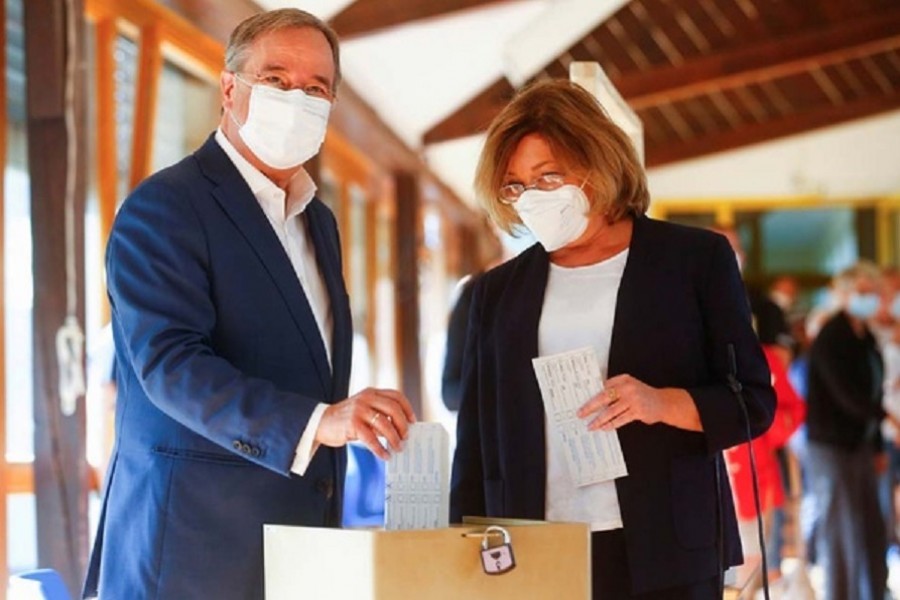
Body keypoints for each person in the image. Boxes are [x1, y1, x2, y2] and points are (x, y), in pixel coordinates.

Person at [83, 9, 415, 600]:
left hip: (299, 549)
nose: (297, 98)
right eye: (277, 79)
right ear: (230, 89)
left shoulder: (320, 222)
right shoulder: (164, 208)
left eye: (316, 89)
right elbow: (171, 367)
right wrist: (320, 421)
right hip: (191, 553)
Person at [449, 79, 775, 598]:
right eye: (515, 186)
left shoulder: (695, 261)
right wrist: (464, 549)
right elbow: (475, 440)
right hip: (534, 546)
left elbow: (753, 401)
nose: (532, 199)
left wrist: (661, 402)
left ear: (597, 164)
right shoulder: (497, 292)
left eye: (548, 176)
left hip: (667, 543)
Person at [805, 261, 897, 600]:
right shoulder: (832, 337)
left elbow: (872, 389)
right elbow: (847, 395)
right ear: (842, 295)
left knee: (872, 525)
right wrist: (887, 417)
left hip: (860, 443)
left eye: (872, 292)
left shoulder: (867, 337)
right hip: (831, 445)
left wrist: (876, 445)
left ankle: (874, 591)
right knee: (842, 528)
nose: (868, 298)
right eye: (861, 292)